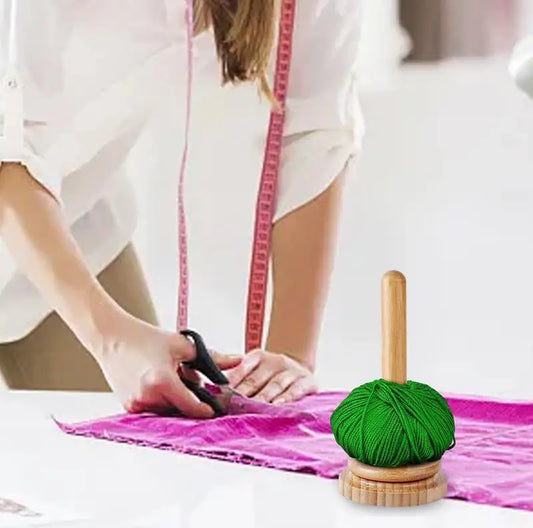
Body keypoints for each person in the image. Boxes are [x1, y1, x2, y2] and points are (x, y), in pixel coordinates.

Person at [0, 0, 364, 416]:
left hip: (75, 227)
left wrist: (289, 360)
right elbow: (8, 145)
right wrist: (111, 338)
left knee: (133, 449)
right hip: (24, 204)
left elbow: (314, 130)